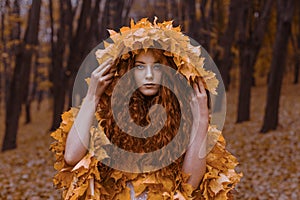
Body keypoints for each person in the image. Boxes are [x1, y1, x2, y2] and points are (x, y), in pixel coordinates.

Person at [50, 18, 242, 200]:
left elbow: (190, 184)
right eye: (140, 67)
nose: (149, 75)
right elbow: (72, 156)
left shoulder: (184, 117)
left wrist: (200, 121)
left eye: (157, 67)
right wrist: (92, 95)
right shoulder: (107, 113)